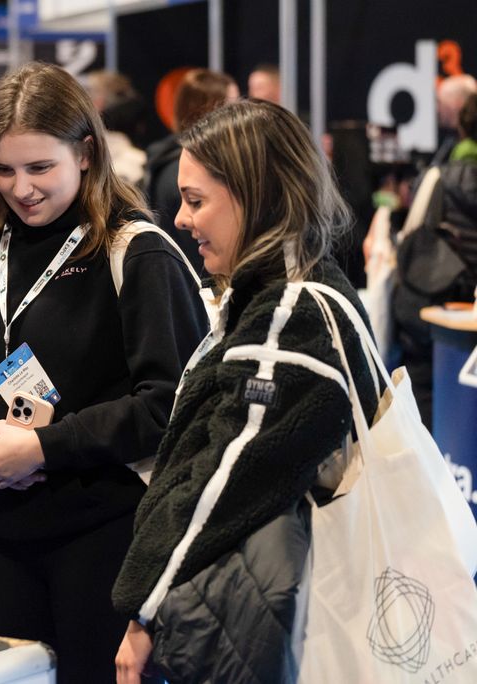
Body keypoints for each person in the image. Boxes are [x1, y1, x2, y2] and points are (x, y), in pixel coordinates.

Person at [0, 62, 208, 683]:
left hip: (110, 537)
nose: (21, 188)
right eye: (4, 170)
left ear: (86, 153)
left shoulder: (138, 252)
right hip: (0, 533)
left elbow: (173, 404)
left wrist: (46, 447)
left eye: (40, 167)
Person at [112, 100, 380, 683]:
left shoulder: (290, 312)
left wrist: (143, 607)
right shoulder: (293, 289)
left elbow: (226, 476)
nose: (181, 219)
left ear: (255, 198)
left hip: (268, 619)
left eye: (196, 200)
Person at [392, 91, 477, 428]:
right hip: (467, 310)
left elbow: (411, 238)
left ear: (462, 129)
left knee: (425, 407)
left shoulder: (438, 176)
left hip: (437, 305)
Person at [144, 68, 238, 275]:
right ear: (211, 111)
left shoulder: (165, 160)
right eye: (232, 106)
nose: (240, 117)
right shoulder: (188, 167)